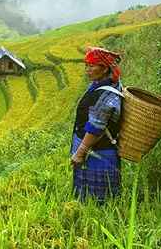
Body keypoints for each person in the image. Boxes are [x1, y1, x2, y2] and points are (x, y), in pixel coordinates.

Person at [70, 46, 124, 205]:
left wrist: (80, 153)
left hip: (98, 154)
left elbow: (96, 127)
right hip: (94, 152)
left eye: (91, 66)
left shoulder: (106, 94)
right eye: (86, 65)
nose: (87, 69)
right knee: (89, 202)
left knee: (99, 204)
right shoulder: (102, 85)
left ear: (105, 69)